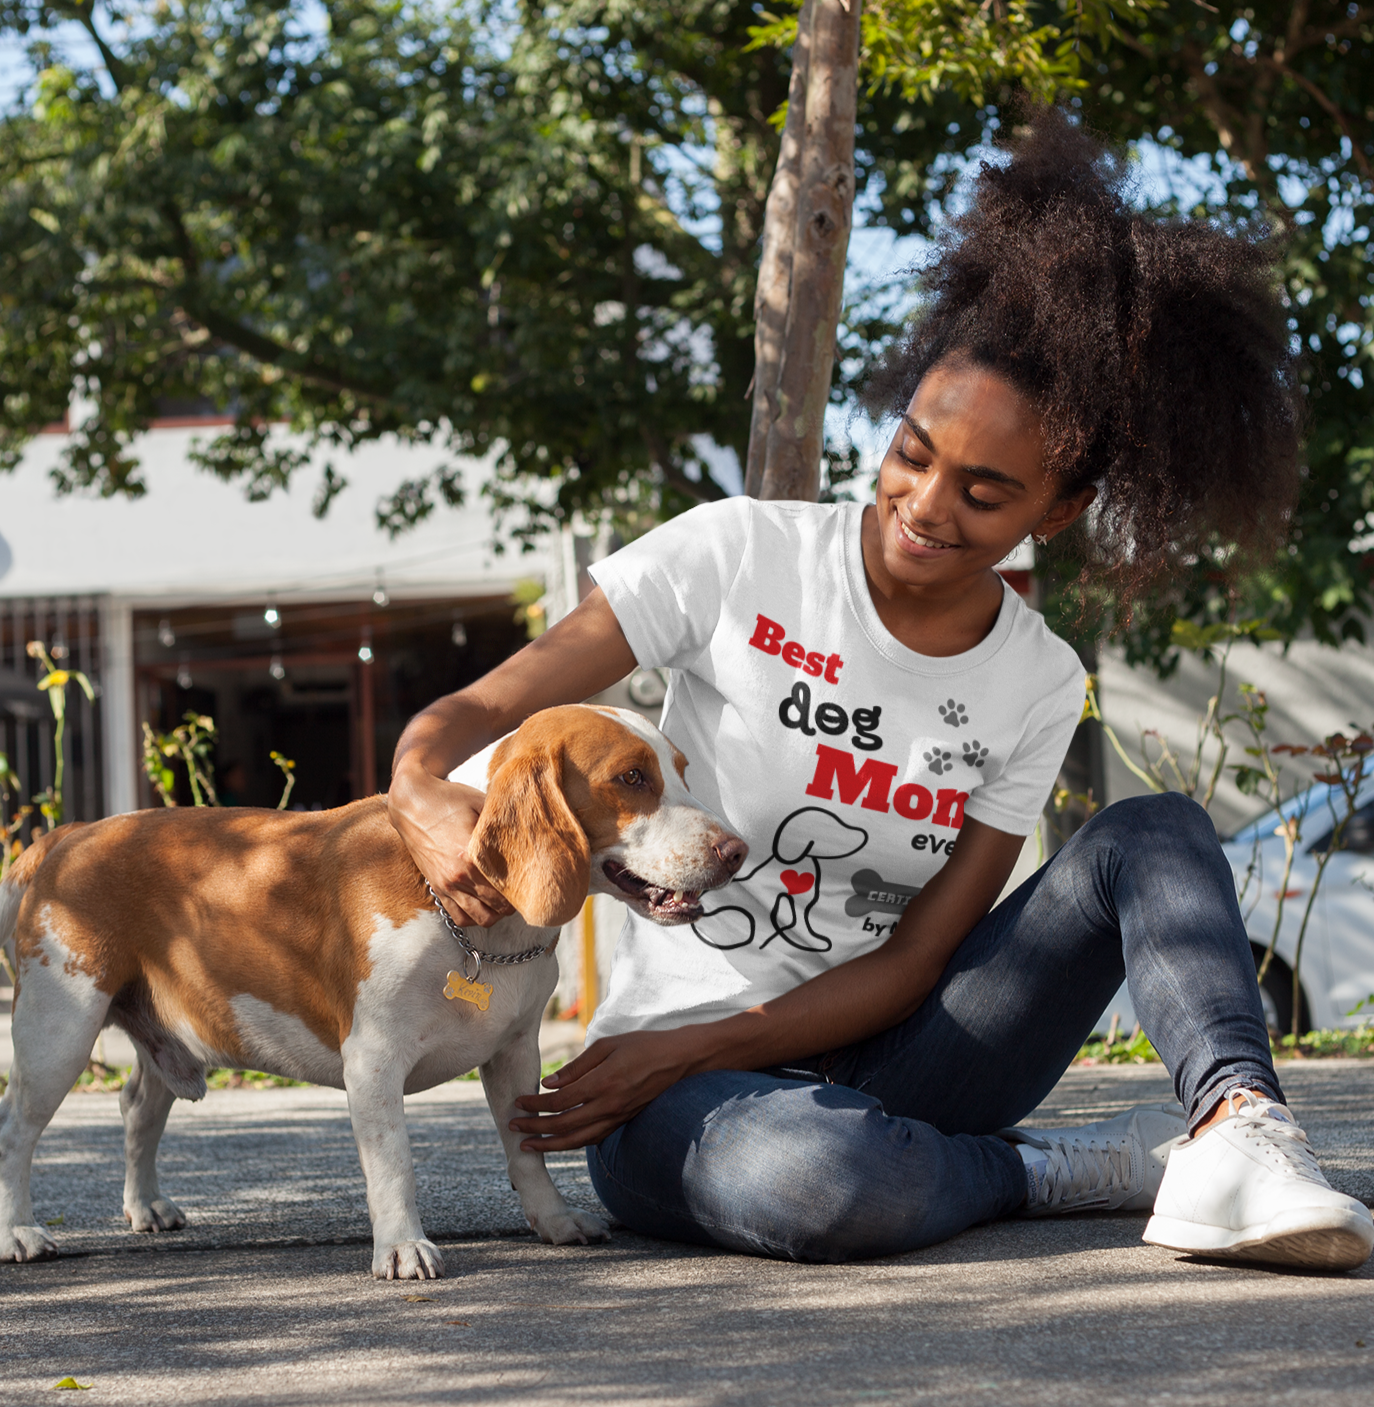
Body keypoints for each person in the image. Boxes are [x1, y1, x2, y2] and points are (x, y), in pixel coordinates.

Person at [388, 111, 1374, 1271]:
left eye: (985, 492)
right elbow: (483, 710)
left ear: (1053, 514)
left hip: (911, 1047)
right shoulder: (735, 553)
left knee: (1152, 833)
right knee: (822, 1180)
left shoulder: (1038, 678)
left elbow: (915, 964)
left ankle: (1237, 1133)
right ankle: (1058, 1168)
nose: (924, 504)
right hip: (667, 1083)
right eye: (914, 452)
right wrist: (415, 781)